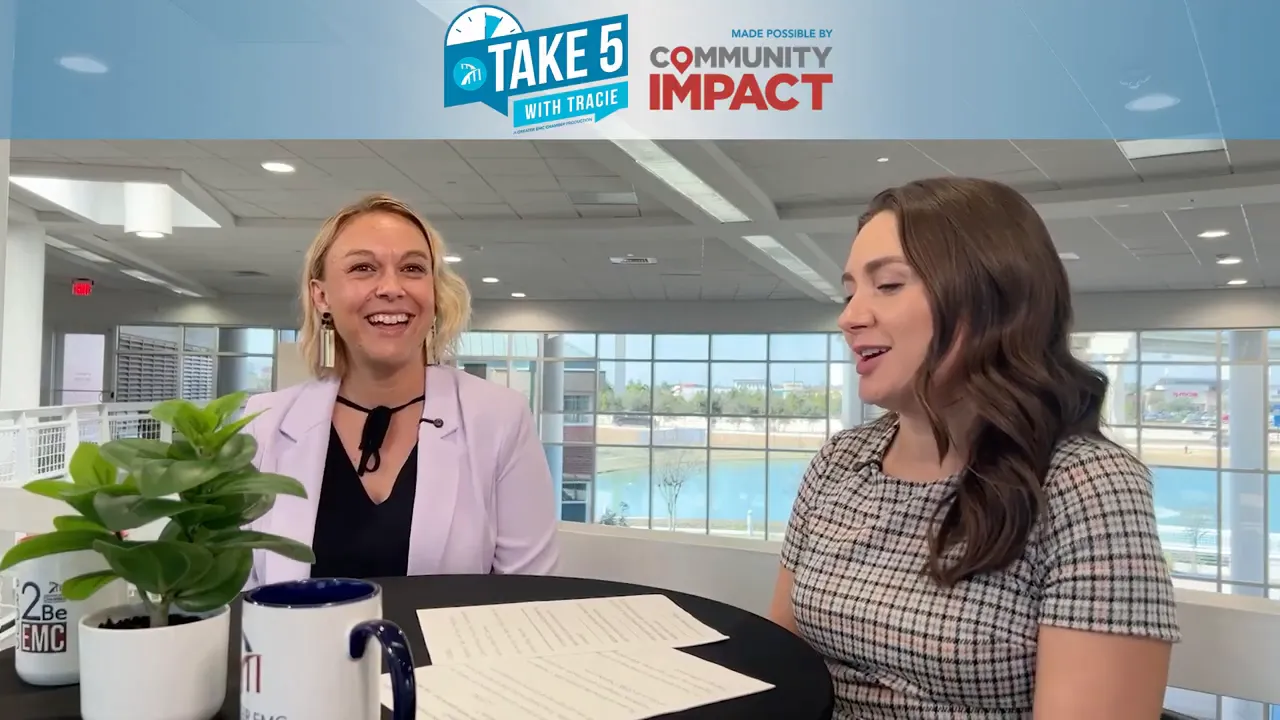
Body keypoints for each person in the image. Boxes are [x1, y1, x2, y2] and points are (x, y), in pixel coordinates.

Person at [769, 177, 1179, 719]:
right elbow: (778, 665)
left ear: (992, 300)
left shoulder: (1085, 486)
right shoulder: (839, 463)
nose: (850, 316)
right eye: (849, 293)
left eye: (888, 285)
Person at [241, 193, 559, 587]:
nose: (392, 287)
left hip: (450, 650)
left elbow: (526, 594)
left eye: (412, 268)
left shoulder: (499, 418)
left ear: (435, 294)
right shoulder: (263, 426)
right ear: (321, 296)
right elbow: (238, 600)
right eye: (363, 268)